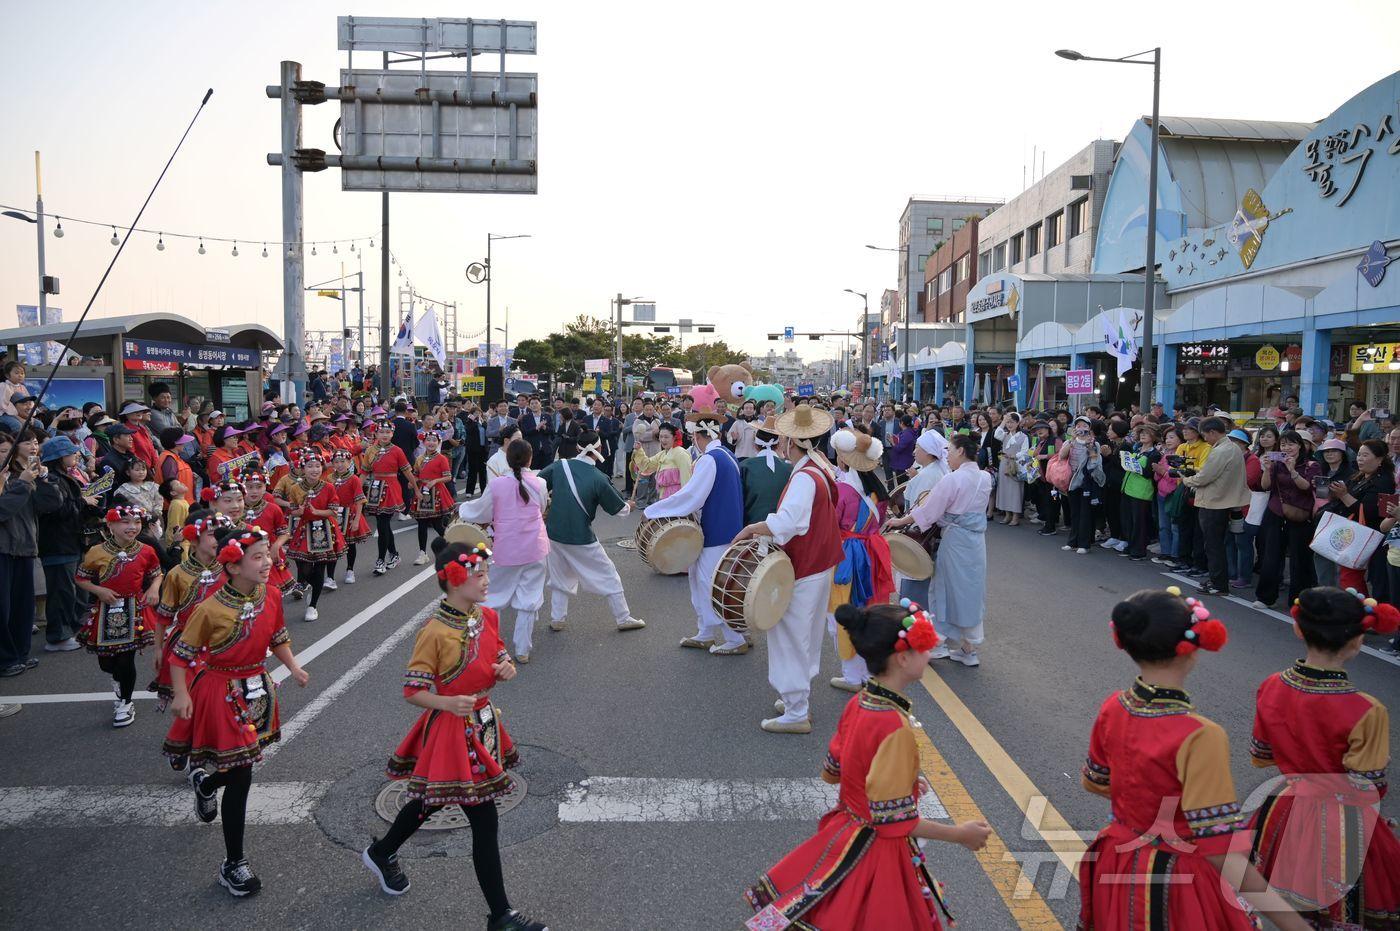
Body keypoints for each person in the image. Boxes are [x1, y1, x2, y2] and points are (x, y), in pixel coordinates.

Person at [1079, 587, 1307, 931]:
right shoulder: (1199, 734)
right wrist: (1294, 925)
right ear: (1193, 648)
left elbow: (1094, 781)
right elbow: (1219, 848)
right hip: (1175, 874)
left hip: (1119, 857)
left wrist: (1143, 803)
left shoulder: (1114, 705)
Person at [745, 601, 983, 929]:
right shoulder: (894, 726)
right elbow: (896, 823)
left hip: (846, 829)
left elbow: (833, 772)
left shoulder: (860, 702)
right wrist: (961, 834)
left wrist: (906, 782)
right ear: (902, 658)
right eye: (924, 649)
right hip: (877, 849)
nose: (929, 654)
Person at [362, 540, 548, 931]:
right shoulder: (433, 633)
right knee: (483, 818)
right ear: (455, 579)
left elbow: (497, 654)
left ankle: (382, 851)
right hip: (450, 730)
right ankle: (502, 916)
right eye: (479, 574)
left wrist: (505, 667)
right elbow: (413, 690)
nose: (486, 581)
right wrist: (447, 704)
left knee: (432, 799)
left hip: (482, 723)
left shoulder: (488, 617)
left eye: (486, 573)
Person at [164, 525, 309, 898]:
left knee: (241, 767)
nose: (268, 562)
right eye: (257, 557)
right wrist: (181, 694)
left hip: (257, 688)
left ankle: (207, 784)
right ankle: (234, 863)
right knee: (242, 774)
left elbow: (277, 637)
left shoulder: (272, 595)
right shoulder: (208, 609)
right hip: (221, 692)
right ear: (232, 566)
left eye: (267, 555)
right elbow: (180, 656)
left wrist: (292, 666)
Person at [1249, 587, 1400, 927]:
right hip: (1343, 820)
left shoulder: (1272, 685)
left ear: (1298, 628)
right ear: (1357, 641)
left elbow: (1261, 755)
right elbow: (1369, 789)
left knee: (1283, 905)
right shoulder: (1366, 709)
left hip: (1286, 808)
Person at [734, 404, 843, 733]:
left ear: (792, 444)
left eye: (784, 441)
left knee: (790, 636)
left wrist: (753, 528)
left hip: (805, 565)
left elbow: (789, 522)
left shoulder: (805, 477)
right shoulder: (820, 469)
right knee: (805, 635)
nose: (781, 446)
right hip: (820, 563)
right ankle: (799, 697)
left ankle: (796, 710)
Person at [643, 410, 750, 656]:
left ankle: (734, 638)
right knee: (704, 581)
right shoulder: (727, 455)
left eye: (694, 437)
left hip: (716, 530)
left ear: (701, 436)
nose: (693, 441)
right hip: (727, 527)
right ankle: (707, 633)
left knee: (711, 584)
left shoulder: (710, 459)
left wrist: (654, 510)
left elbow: (692, 496)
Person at [886, 435, 992, 666]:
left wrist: (900, 521)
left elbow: (929, 512)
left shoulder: (952, 480)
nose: (948, 457)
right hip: (975, 543)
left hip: (954, 541)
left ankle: (939, 643)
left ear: (962, 452)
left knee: (945, 591)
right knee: (971, 592)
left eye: (951, 452)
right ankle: (969, 647)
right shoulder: (985, 478)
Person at [538, 430, 645, 635]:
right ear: (599, 449)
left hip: (553, 533)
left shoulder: (560, 466)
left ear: (578, 448)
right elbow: (619, 510)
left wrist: (545, 505)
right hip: (580, 537)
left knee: (560, 575)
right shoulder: (599, 477)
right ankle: (623, 617)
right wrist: (630, 505)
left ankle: (557, 618)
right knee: (609, 575)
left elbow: (537, 484)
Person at [457, 440, 549, 663]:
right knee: (529, 599)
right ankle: (523, 649)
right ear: (530, 459)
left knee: (494, 597)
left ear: (507, 459)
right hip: (536, 546)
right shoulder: (540, 482)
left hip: (505, 547)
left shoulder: (497, 484)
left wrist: (461, 508)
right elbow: (543, 507)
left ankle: (490, 648)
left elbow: (480, 512)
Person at [75, 505, 163, 726]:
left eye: (136, 522)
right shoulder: (96, 551)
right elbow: (81, 578)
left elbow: (157, 574)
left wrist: (153, 589)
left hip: (135, 609)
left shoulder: (146, 550)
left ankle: (125, 702)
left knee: (126, 658)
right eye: (125, 522)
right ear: (111, 525)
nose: (132, 527)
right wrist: (100, 591)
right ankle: (117, 679)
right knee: (106, 663)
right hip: (106, 610)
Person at [826, 428, 892, 692]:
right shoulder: (878, 490)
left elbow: (830, 524)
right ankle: (868, 670)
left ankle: (852, 675)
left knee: (842, 611)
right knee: (869, 610)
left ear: (843, 459)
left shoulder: (841, 489)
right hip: (873, 551)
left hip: (847, 555)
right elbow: (882, 520)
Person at [151, 514, 228, 715]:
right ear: (194, 539)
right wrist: (158, 649)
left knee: (220, 699)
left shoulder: (231, 569)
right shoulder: (177, 573)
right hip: (187, 644)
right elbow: (164, 616)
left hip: (222, 642)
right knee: (192, 698)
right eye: (212, 535)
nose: (219, 540)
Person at [34, 435, 98, 653]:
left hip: (70, 540)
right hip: (57, 543)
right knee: (61, 592)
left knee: (74, 589)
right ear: (60, 457)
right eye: (71, 452)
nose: (76, 455)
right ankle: (58, 636)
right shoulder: (49, 480)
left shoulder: (62, 477)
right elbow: (56, 510)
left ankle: (71, 629)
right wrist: (83, 501)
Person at [1179, 417, 1250, 596]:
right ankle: (1217, 580)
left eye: (1205, 435)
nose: (1205, 439)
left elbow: (1205, 478)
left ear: (1212, 432)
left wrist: (1186, 479)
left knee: (1213, 545)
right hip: (1224, 500)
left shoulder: (1220, 451)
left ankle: (1218, 584)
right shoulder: (1232, 447)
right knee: (1217, 544)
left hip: (1214, 502)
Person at [1254, 430, 1322, 610]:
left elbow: (1307, 488)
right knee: (1271, 557)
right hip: (1275, 513)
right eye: (1283, 444)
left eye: (1291, 444)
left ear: (1300, 445)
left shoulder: (1311, 465)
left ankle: (1299, 600)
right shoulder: (1276, 464)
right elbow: (1265, 486)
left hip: (1300, 515)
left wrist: (1292, 470)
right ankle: (1266, 597)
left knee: (1299, 560)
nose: (1287, 448)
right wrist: (1268, 469)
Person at [0, 430, 42, 677]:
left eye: (6, 452)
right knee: (3, 608)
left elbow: (48, 506)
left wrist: (41, 480)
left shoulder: (18, 477)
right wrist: (23, 483)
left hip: (23, 548)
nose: (4, 456)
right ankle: (5, 659)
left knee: (22, 606)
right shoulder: (18, 481)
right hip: (4, 550)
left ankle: (19, 654)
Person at [361, 420, 416, 576]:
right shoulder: (371, 450)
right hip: (375, 489)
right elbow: (364, 473)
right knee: (382, 523)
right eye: (381, 432)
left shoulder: (397, 450)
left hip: (391, 488)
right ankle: (394, 554)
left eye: (388, 432)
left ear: (392, 434)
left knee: (383, 523)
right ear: (376, 434)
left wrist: (416, 488)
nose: (385, 435)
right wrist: (357, 490)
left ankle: (380, 559)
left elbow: (407, 472)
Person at [1060, 417, 1106, 556]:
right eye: (1078, 425)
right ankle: (1072, 541)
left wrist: (1091, 450)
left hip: (1087, 482)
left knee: (1085, 514)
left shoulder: (1094, 443)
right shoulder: (1070, 441)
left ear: (1089, 428)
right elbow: (1062, 455)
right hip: (1072, 481)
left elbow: (1095, 462)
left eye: (1084, 425)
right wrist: (1072, 440)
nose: (1081, 427)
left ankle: (1084, 544)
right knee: (1075, 513)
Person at [410, 429, 456, 566]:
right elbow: (416, 474)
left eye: (434, 441)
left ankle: (451, 546)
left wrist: (435, 481)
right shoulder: (419, 458)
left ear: (438, 442)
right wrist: (413, 482)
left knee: (437, 525)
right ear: (423, 442)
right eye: (428, 440)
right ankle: (422, 553)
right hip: (422, 494)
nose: (431, 443)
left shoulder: (442, 458)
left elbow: (448, 477)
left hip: (436, 493)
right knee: (421, 524)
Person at [327, 449, 370, 584]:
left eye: (342, 461)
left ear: (349, 462)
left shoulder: (354, 479)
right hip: (333, 514)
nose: (339, 465)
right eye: (336, 462)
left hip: (349, 514)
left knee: (350, 545)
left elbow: (359, 500)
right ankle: (330, 577)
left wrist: (357, 520)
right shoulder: (329, 478)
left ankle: (350, 570)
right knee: (332, 545)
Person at [739, 416, 791, 525]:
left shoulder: (744, 466)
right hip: (783, 529)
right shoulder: (790, 468)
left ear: (755, 445)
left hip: (752, 528)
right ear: (778, 444)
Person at [637, 422, 691, 500]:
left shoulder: (681, 453)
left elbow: (686, 480)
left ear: (674, 437)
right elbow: (647, 466)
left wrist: (684, 501)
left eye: (666, 437)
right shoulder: (662, 454)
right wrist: (639, 450)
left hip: (676, 497)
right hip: (663, 496)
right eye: (661, 436)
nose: (663, 440)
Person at [994, 412, 1026, 525]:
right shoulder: (1005, 435)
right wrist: (1003, 421)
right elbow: (996, 434)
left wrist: (1014, 456)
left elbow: (1025, 452)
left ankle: (1015, 517)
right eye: (1008, 422)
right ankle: (1007, 515)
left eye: (1012, 422)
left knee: (1016, 491)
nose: (1009, 424)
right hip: (1004, 464)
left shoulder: (1023, 436)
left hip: (1016, 466)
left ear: (1018, 423)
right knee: (1004, 490)